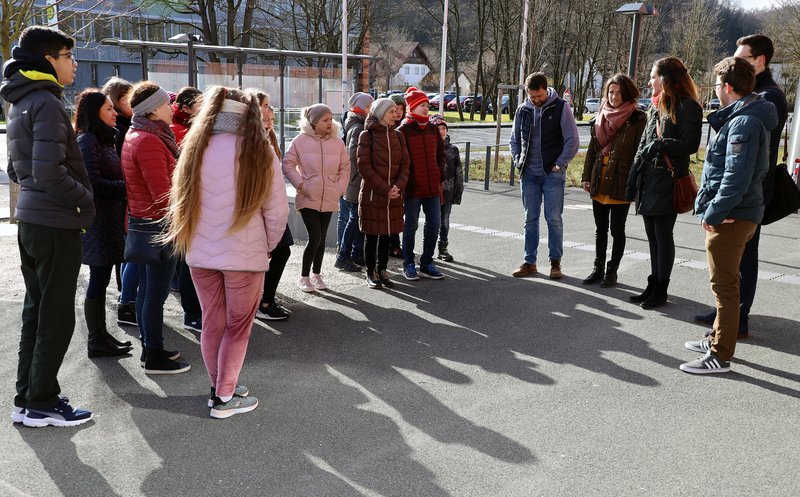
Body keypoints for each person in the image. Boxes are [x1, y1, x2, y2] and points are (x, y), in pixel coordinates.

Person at [166, 86, 289, 417]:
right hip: (244, 256)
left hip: (201, 253)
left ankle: (220, 387)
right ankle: (224, 397)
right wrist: (269, 246)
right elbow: (277, 212)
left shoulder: (194, 148)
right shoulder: (259, 151)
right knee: (238, 326)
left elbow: (179, 203)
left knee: (213, 322)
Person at [2, 26, 96, 427]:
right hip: (55, 222)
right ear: (48, 59)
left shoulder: (20, 100)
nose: (73, 63)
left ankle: (28, 397)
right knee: (56, 315)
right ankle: (42, 400)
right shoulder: (47, 102)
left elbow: (16, 168)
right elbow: (48, 173)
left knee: (37, 310)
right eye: (68, 55)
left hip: (32, 219)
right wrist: (86, 200)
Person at [681, 57, 777, 374]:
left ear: (727, 87)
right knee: (726, 285)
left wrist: (714, 212)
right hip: (736, 214)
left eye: (717, 85)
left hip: (732, 217)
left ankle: (720, 355)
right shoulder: (743, 117)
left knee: (725, 287)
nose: (716, 91)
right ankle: (717, 340)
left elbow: (735, 178)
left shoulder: (744, 123)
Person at [693, 34, 789, 338]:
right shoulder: (755, 96)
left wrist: (720, 206)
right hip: (746, 191)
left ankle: (737, 321)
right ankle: (728, 318)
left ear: (760, 60)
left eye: (744, 57)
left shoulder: (767, 97)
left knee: (743, 258)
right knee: (733, 263)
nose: (737, 62)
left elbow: (746, 161)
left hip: (749, 194)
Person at [122, 81, 190, 374]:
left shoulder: (139, 133)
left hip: (145, 222)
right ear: (151, 110)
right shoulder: (149, 140)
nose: (170, 107)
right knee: (154, 293)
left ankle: (150, 347)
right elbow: (161, 193)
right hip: (158, 226)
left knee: (147, 290)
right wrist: (179, 222)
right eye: (164, 103)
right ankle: (153, 355)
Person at [625, 58, 703, 309]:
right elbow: (642, 145)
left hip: (668, 180)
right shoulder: (655, 106)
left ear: (666, 79)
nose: (649, 81)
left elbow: (690, 144)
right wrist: (632, 177)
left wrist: (661, 144)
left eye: (653, 76)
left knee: (662, 235)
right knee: (652, 236)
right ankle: (653, 283)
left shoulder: (688, 106)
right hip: (648, 179)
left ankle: (661, 288)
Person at [74, 89, 133, 357]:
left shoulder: (104, 139)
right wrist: (127, 187)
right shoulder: (88, 141)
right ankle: (96, 339)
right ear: (95, 112)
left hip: (109, 220)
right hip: (98, 222)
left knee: (103, 277)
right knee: (98, 279)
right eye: (109, 108)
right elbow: (93, 183)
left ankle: (102, 335)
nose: (114, 112)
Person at [509, 72, 579, 280]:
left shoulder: (560, 107)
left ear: (546, 90)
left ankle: (555, 263)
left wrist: (559, 164)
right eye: (532, 97)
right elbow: (514, 140)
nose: (536, 100)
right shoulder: (523, 110)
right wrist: (517, 161)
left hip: (552, 174)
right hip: (528, 173)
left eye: (539, 96)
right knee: (530, 218)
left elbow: (572, 140)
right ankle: (529, 262)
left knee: (553, 219)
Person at [580, 74, 646, 287]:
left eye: (618, 92)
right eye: (610, 91)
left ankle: (612, 271)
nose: (614, 96)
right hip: (599, 177)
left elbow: (639, 153)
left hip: (621, 179)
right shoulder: (600, 114)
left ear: (626, 93)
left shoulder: (637, 118)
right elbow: (592, 150)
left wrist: (635, 183)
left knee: (618, 229)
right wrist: (586, 176)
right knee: (600, 229)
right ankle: (597, 268)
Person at [283, 104, 349, 292]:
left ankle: (317, 274)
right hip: (308, 195)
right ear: (314, 122)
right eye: (325, 120)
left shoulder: (337, 142)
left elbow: (345, 167)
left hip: (329, 195)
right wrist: (302, 185)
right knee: (315, 236)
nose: (330, 122)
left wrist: (339, 188)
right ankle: (304, 276)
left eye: (331, 118)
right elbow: (287, 164)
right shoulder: (300, 140)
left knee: (322, 237)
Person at [357, 98, 410, 288]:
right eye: (391, 111)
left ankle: (382, 270)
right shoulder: (367, 135)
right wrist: (385, 189)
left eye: (396, 111)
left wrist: (398, 186)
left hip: (394, 194)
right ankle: (371, 272)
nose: (395, 115)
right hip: (374, 194)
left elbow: (406, 164)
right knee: (372, 235)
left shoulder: (398, 136)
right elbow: (364, 167)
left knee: (387, 234)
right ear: (380, 113)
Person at [398, 87, 446, 280]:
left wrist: (438, 174)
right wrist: (409, 180)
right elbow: (401, 161)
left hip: (432, 187)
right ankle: (408, 263)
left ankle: (427, 263)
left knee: (434, 226)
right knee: (410, 226)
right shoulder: (403, 130)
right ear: (412, 107)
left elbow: (441, 156)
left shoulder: (434, 129)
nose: (426, 108)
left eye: (427, 104)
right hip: (412, 190)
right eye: (422, 105)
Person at [253, 90, 293, 321]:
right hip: (262, 209)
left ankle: (265, 299)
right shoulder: (252, 141)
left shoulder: (269, 136)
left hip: (272, 207)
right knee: (278, 251)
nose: (270, 111)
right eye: (265, 106)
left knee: (281, 251)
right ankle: (264, 303)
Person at [102, 77, 139, 327]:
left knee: (127, 253)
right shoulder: (120, 129)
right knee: (127, 253)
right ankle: (126, 302)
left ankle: (126, 299)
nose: (132, 103)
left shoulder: (127, 125)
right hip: (120, 198)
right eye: (127, 98)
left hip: (123, 196)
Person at [169, 86, 204, 333]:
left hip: (192, 200)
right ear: (185, 108)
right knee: (188, 261)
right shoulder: (178, 131)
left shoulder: (186, 128)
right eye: (198, 105)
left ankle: (194, 310)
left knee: (187, 260)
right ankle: (192, 314)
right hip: (187, 201)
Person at [335, 92, 374, 272]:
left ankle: (356, 254)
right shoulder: (358, 127)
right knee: (354, 218)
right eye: (370, 106)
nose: (372, 109)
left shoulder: (356, 123)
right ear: (364, 107)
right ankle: (343, 256)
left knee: (357, 218)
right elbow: (352, 154)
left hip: (355, 178)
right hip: (355, 180)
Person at [429, 114, 464, 262]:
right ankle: (428, 249)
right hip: (433, 192)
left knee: (445, 221)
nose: (442, 131)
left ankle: (443, 247)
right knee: (433, 221)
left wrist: (458, 192)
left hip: (448, 192)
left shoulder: (453, 150)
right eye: (438, 128)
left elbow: (459, 173)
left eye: (444, 128)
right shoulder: (430, 148)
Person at [387, 93, 407, 259]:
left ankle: (395, 245)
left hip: (400, 179)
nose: (398, 112)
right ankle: (392, 245)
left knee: (397, 215)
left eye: (401, 109)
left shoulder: (402, 129)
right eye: (395, 109)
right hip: (389, 180)